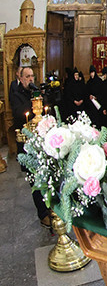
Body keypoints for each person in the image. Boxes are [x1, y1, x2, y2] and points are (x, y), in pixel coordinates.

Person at [10, 66, 51, 228]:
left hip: (42, 143)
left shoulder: (35, 91)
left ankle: (50, 208)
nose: (31, 79)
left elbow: (46, 110)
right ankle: (42, 214)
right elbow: (19, 112)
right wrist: (34, 102)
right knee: (34, 180)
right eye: (27, 76)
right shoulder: (16, 94)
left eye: (32, 76)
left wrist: (43, 98)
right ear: (20, 78)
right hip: (27, 144)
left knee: (47, 177)